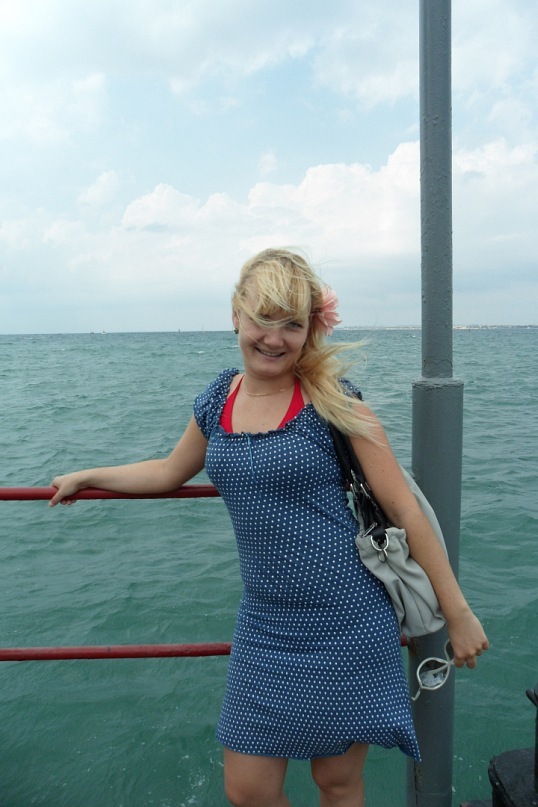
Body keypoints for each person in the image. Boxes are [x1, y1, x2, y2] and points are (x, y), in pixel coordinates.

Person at [50, 248, 489, 807]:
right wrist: (89, 475)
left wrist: (458, 613)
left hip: (347, 622)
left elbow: (405, 510)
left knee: (336, 782)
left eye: (292, 325)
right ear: (236, 314)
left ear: (310, 331)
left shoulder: (334, 402)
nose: (274, 339)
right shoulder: (219, 398)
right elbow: (169, 471)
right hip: (264, 623)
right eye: (262, 319)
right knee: (248, 790)